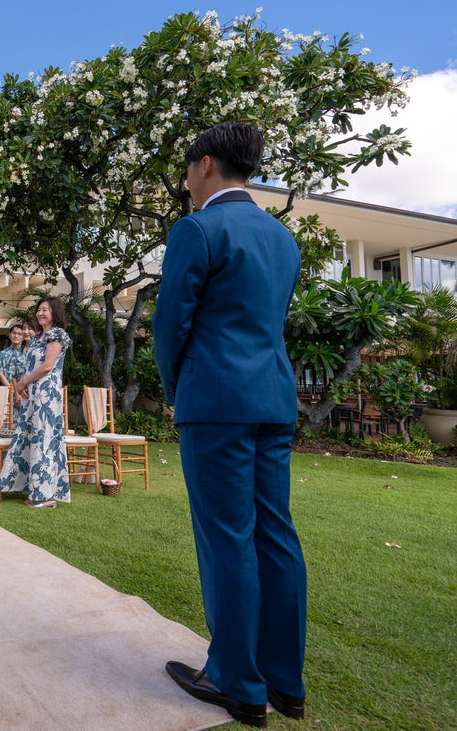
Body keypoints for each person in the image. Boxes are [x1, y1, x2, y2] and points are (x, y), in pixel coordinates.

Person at [153, 122, 306, 727]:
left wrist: (174, 389)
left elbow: (171, 325)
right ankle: (285, 684)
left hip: (216, 402)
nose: (186, 182)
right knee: (275, 534)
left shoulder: (198, 228)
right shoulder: (282, 238)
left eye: (188, 170)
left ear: (206, 165)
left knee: (227, 537)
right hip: (273, 399)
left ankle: (237, 681)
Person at [0, 296, 72, 508]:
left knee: (44, 441)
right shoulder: (38, 337)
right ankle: (27, 487)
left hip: (47, 396)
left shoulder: (57, 334)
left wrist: (22, 383)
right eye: (38, 310)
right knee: (30, 437)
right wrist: (26, 385)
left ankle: (45, 496)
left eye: (45, 310)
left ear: (55, 313)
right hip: (34, 394)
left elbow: (48, 366)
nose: (40, 313)